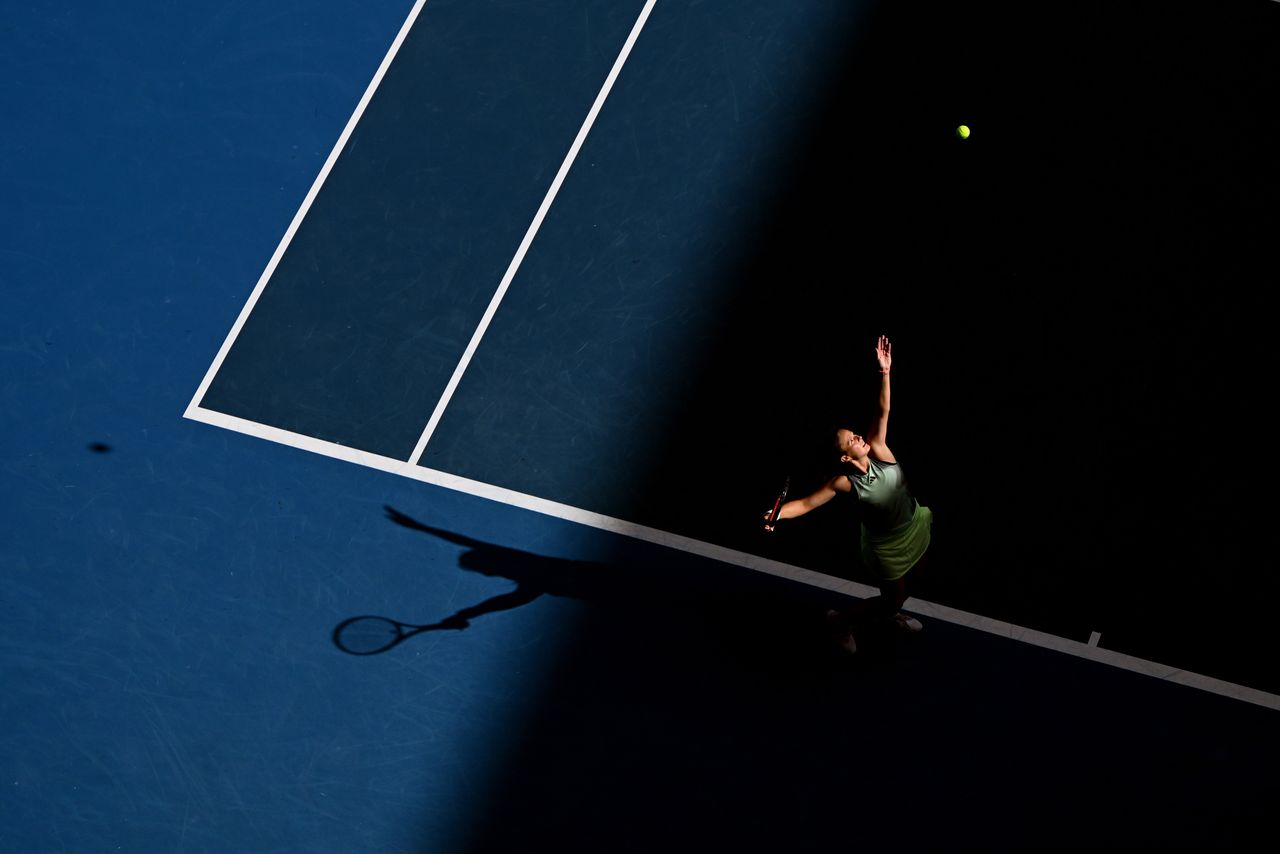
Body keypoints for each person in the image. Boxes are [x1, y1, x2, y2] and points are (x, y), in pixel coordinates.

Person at [765, 335, 933, 654]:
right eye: (851, 439)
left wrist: (885, 371)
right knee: (890, 599)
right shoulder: (844, 483)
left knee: (918, 577)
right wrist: (776, 514)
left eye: (855, 433)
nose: (858, 436)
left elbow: (883, 409)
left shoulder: (880, 449)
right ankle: (840, 622)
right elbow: (806, 503)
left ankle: (890, 613)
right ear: (845, 457)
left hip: (914, 525)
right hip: (887, 546)